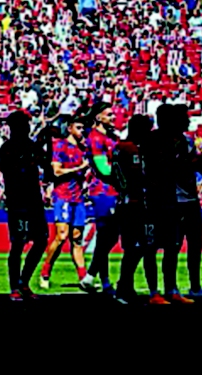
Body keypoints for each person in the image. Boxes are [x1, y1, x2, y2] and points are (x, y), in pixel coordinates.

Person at [150, 104, 202, 303]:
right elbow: (173, 167)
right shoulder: (157, 140)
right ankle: (170, 288)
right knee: (171, 245)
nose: (189, 121)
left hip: (190, 199)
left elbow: (197, 167)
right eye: (185, 117)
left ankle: (195, 286)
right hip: (169, 200)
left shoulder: (185, 141)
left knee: (195, 243)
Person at [0, 111, 50, 301]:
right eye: (22, 124)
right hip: (18, 202)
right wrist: (36, 151)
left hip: (35, 201)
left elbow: (48, 168)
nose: (26, 127)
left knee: (41, 240)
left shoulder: (32, 146)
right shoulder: (7, 148)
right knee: (18, 244)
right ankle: (15, 286)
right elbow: (14, 170)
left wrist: (46, 143)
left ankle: (23, 282)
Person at [114, 115, 164, 304]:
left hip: (145, 205)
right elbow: (119, 175)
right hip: (131, 206)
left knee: (147, 248)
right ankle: (124, 288)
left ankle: (146, 291)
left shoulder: (142, 149)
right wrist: (128, 190)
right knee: (134, 249)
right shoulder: (125, 148)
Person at [39, 116, 91, 290]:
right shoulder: (60, 146)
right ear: (69, 128)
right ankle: (45, 272)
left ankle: (83, 278)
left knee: (77, 239)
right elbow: (57, 171)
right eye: (78, 127)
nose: (82, 130)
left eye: (83, 128)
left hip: (78, 198)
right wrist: (80, 168)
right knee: (61, 236)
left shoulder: (83, 148)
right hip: (63, 196)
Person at [80, 103, 125, 299]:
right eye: (109, 114)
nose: (113, 117)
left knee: (109, 237)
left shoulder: (110, 137)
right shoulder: (95, 139)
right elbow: (104, 169)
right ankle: (94, 277)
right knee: (107, 235)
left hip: (114, 191)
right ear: (98, 117)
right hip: (103, 192)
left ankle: (99, 280)